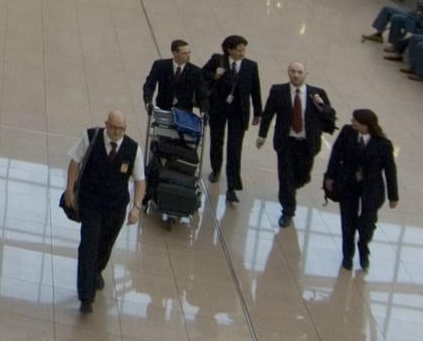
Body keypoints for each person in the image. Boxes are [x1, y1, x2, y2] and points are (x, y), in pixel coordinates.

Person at [62, 110, 141, 313]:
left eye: (121, 129)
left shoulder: (133, 149)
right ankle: (86, 296)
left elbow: (140, 180)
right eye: (113, 127)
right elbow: (74, 162)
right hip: (91, 204)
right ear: (106, 124)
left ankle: (96, 271)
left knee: (104, 245)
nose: (116, 132)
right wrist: (70, 189)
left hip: (115, 209)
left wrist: (137, 207)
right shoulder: (90, 137)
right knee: (89, 244)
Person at [256, 61, 335, 228]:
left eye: (299, 72)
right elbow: (269, 112)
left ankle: (293, 186)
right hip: (286, 142)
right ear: (288, 73)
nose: (296, 75)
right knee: (286, 178)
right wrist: (262, 134)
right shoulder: (278, 91)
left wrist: (320, 104)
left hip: (307, 144)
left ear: (306, 74)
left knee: (302, 176)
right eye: (293, 71)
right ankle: (288, 211)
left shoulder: (317, 93)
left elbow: (330, 115)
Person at [322, 109, 398, 271]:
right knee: (347, 222)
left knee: (367, 224)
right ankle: (347, 256)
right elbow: (336, 154)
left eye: (355, 120)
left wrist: (393, 196)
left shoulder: (383, 144)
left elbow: (390, 171)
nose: (352, 122)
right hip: (348, 184)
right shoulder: (347, 132)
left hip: (371, 189)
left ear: (366, 125)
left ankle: (363, 246)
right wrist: (330, 176)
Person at [202, 35, 261, 204]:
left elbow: (255, 89)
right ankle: (216, 168)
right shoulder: (217, 60)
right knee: (217, 139)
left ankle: (232, 186)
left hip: (238, 111)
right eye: (239, 50)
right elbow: (202, 75)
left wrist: (258, 112)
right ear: (229, 49)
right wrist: (215, 75)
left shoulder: (251, 66)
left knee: (235, 147)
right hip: (219, 108)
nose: (242, 53)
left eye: (244, 50)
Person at [142, 39, 207, 114]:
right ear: (174, 53)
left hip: (184, 112)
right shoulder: (160, 66)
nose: (188, 56)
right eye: (184, 53)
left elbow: (202, 94)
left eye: (189, 53)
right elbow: (149, 85)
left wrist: (204, 111)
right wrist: (148, 102)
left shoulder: (196, 72)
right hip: (163, 108)